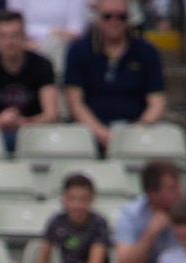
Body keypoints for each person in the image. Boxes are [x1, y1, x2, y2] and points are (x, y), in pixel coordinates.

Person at [62, 0, 165, 152]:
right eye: (108, 16)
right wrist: (99, 132)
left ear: (129, 19)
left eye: (121, 17)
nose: (114, 22)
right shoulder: (78, 51)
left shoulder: (147, 52)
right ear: (97, 17)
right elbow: (75, 103)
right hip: (89, 133)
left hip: (136, 132)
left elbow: (157, 102)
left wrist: (136, 130)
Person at [0, 11, 59, 154]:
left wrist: (23, 123)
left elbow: (52, 115)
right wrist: (0, 122)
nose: (9, 42)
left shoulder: (42, 65)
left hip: (35, 135)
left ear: (24, 36)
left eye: (14, 35)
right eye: (4, 36)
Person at [36, 172, 109, 263]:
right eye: (72, 199)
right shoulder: (56, 222)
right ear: (64, 199)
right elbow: (44, 257)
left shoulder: (98, 223)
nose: (78, 205)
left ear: (91, 200)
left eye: (83, 199)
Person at [112, 158, 182, 263]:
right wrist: (151, 233)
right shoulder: (129, 214)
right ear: (152, 193)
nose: (179, 194)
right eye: (172, 189)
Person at [9, 0, 86, 47]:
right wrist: (50, 31)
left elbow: (76, 28)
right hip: (26, 44)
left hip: (63, 45)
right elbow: (13, 23)